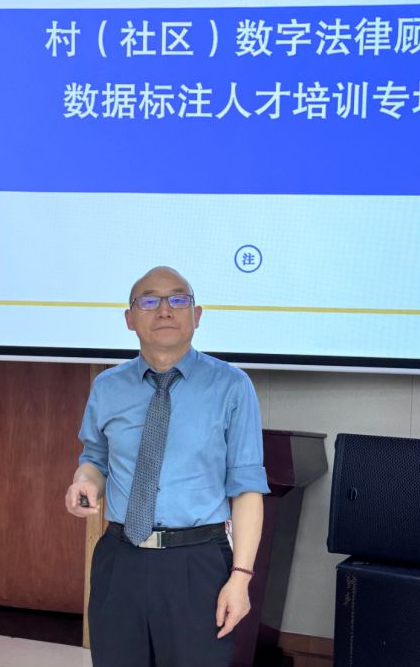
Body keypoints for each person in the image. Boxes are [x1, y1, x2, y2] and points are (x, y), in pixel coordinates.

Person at [65, 266, 269, 667]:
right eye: (149, 300)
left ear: (197, 315)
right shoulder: (108, 386)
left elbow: (247, 487)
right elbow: (95, 459)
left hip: (197, 563)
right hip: (120, 558)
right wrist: (84, 482)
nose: (164, 309)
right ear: (129, 318)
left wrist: (241, 577)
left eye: (178, 299)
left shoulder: (231, 386)